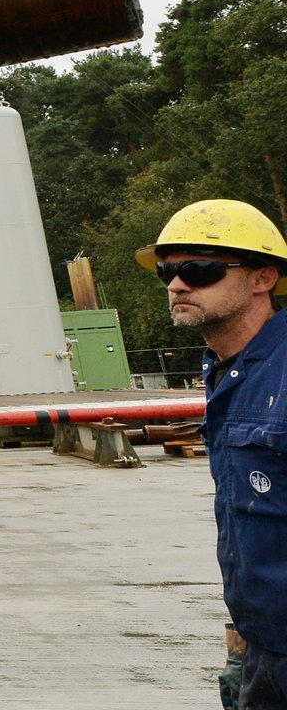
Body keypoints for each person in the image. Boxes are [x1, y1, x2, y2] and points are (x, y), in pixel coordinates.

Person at [137, 199, 287, 710]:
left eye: (199, 270)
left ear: (262, 278)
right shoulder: (226, 372)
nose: (178, 285)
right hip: (262, 642)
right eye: (168, 272)